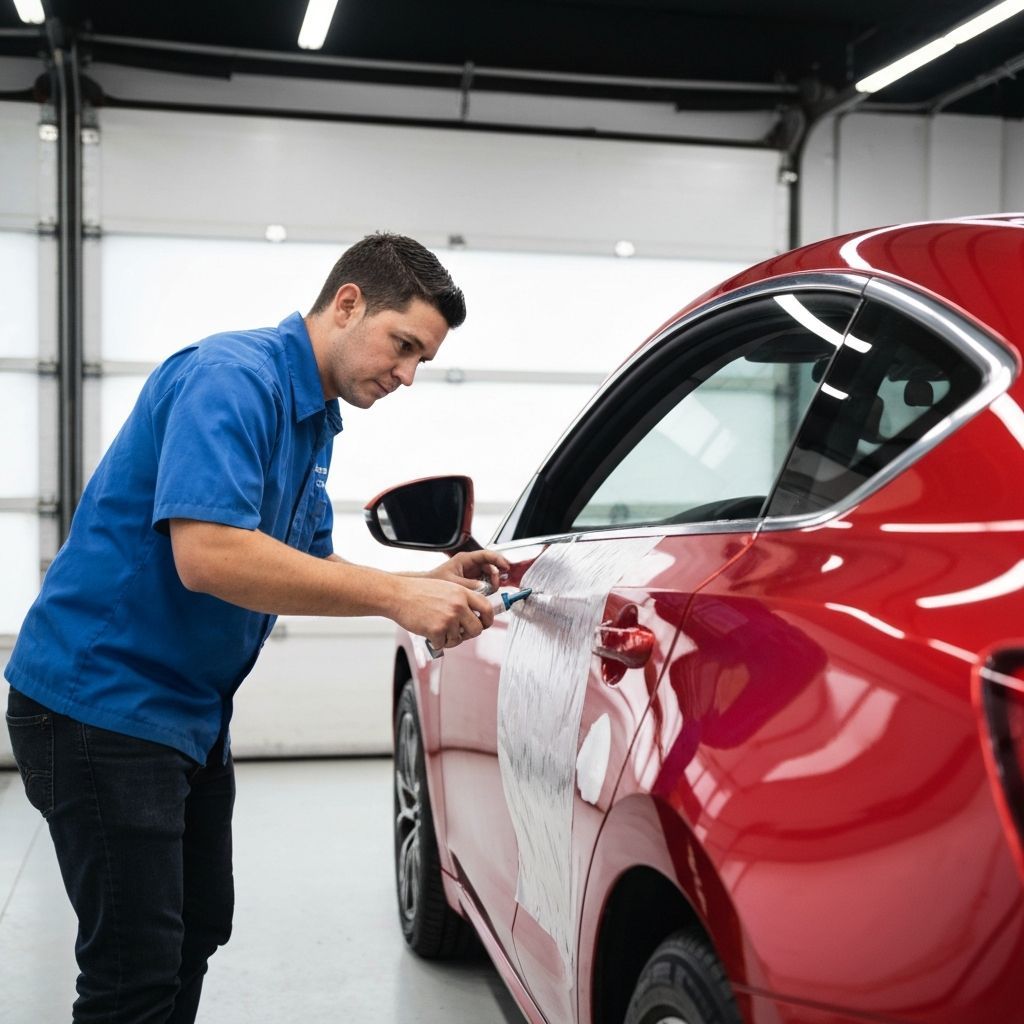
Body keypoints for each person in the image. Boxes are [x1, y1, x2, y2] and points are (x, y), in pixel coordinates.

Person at [4, 232, 510, 1024]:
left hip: (185, 714)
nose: (407, 375)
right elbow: (208, 555)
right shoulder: (232, 381)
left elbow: (301, 567)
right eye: (403, 345)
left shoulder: (314, 422)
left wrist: (420, 583)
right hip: (99, 704)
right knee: (133, 973)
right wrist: (395, 598)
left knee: (197, 929)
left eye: (423, 361)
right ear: (347, 304)